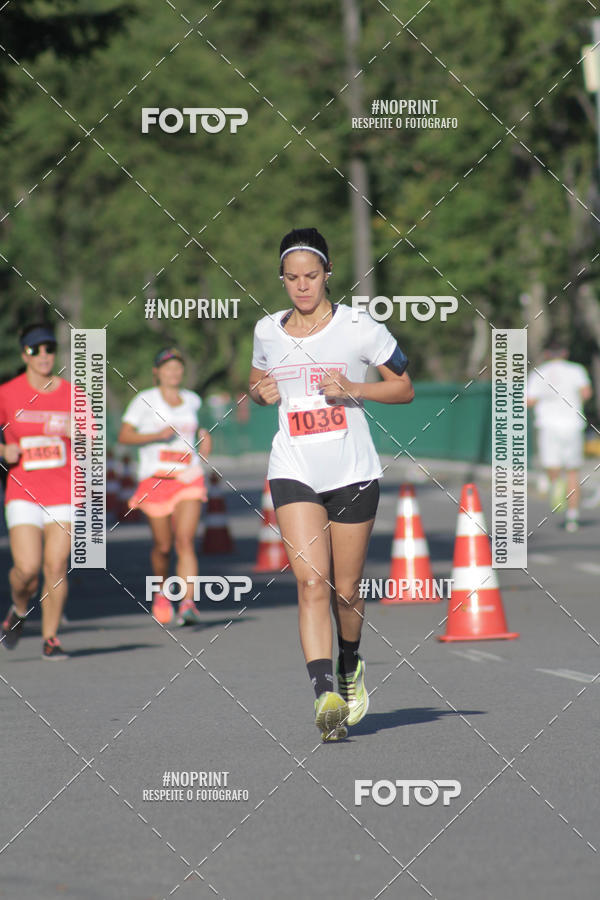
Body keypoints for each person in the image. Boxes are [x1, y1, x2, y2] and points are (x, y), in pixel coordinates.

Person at [249, 227, 414, 741]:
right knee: (310, 582)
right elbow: (255, 381)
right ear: (282, 278)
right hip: (293, 466)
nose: (302, 287)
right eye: (293, 278)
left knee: (346, 591)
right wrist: (260, 394)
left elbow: (404, 388)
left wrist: (355, 388)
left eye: (311, 276)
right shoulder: (267, 330)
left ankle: (350, 666)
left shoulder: (359, 327)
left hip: (352, 471)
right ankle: (325, 695)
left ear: (328, 275)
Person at [118, 348, 212, 626]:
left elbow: (201, 432)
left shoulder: (192, 400)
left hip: (187, 478)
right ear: (156, 371)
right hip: (155, 480)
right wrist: (157, 435)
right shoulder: (144, 400)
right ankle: (161, 591)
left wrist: (204, 444)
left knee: (185, 541)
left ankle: (187, 603)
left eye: (178, 367)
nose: (174, 372)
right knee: (163, 546)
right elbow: (124, 435)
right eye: (168, 367)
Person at [0, 323, 72, 659]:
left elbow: (94, 442)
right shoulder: (8, 393)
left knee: (55, 565)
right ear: (24, 354)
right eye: (35, 349)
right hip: (23, 490)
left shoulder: (74, 394)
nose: (43, 355)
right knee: (27, 569)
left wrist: (82, 434)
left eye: (48, 349)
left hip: (64, 492)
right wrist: (3, 452)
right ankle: (18, 608)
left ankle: (51, 637)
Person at [527, 340, 592, 532]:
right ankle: (573, 516)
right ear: (565, 352)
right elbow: (586, 393)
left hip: (548, 426)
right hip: (572, 424)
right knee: (573, 470)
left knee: (552, 466)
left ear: (547, 353)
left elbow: (528, 400)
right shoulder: (577, 370)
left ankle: (556, 484)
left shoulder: (539, 372)